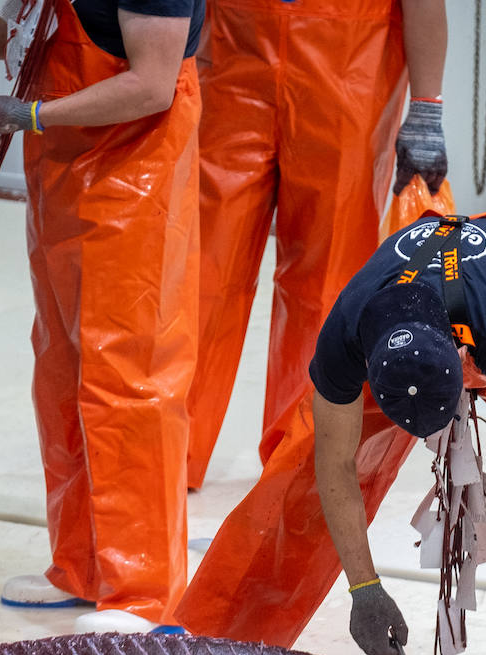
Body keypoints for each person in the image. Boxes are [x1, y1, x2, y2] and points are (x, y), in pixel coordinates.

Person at [175, 212, 486, 655]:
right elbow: (336, 464)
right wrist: (363, 587)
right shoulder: (345, 333)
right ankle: (221, 650)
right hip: (402, 329)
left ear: (460, 353)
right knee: (301, 481)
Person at [0, 0, 204, 634]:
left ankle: (144, 591)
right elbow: (32, 22)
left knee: (128, 380)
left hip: (133, 175)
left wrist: (32, 115)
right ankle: (80, 566)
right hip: (63, 176)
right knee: (61, 373)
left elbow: (152, 83)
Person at [183, 0, 450, 490]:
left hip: (349, 68)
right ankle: (171, 447)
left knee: (326, 280)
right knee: (202, 269)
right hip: (233, 55)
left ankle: (303, 451)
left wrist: (427, 107)